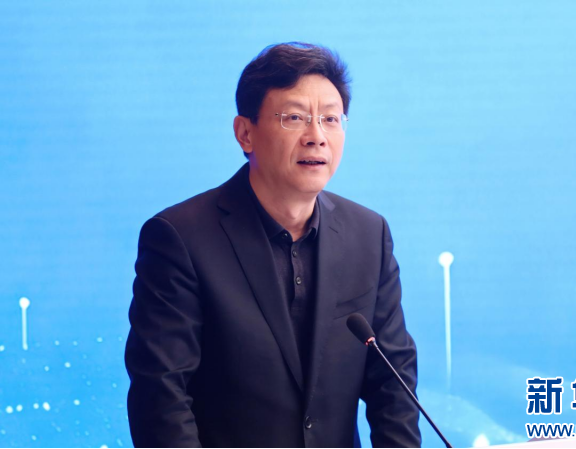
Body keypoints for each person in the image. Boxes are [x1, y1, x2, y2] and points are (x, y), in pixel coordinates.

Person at [125, 42, 421, 448]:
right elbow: (162, 397)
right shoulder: (180, 238)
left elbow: (393, 385)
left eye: (330, 119)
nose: (317, 137)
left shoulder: (368, 234)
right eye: (294, 117)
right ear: (245, 133)